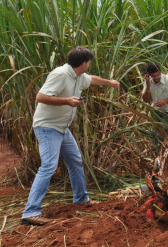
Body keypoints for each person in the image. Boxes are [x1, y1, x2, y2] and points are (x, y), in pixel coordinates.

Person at [21, 47, 120, 226]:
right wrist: (67, 101)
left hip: (62, 128)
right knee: (49, 166)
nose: (89, 66)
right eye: (89, 63)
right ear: (83, 64)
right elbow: (40, 97)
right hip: (47, 127)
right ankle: (31, 212)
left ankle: (81, 199)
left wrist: (109, 82)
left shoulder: (79, 76)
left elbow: (92, 80)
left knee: (75, 160)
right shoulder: (60, 74)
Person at [141, 62, 168, 138]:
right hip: (156, 113)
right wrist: (148, 86)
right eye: (153, 76)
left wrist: (166, 102)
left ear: (160, 72)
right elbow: (145, 100)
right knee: (154, 136)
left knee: (164, 136)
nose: (156, 78)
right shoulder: (148, 81)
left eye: (158, 75)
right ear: (148, 75)